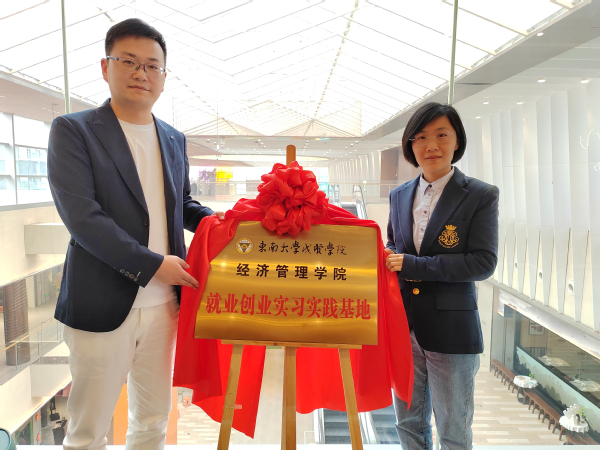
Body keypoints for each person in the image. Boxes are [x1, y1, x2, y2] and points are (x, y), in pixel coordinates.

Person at [48, 18, 223, 450]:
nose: (141, 73)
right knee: (88, 430)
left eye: (151, 65)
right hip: (100, 303)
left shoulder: (173, 138)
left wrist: (226, 224)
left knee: (152, 420)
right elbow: (83, 219)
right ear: (105, 67)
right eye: (128, 61)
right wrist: (154, 265)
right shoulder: (74, 131)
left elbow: (181, 204)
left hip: (165, 306)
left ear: (163, 76)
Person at [385, 102, 499, 450]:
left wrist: (412, 266)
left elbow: (482, 262)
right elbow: (394, 245)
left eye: (441, 135)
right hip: (404, 328)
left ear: (457, 141)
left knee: (452, 430)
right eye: (420, 137)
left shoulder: (479, 195)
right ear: (410, 145)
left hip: (452, 331)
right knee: (408, 423)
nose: (430, 145)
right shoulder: (399, 194)